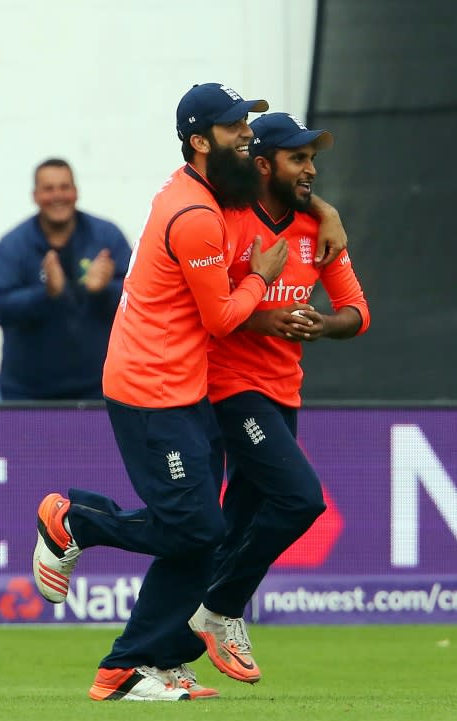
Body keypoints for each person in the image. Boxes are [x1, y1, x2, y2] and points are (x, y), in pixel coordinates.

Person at [32, 82, 290, 702]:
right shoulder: (195, 213)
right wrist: (260, 278)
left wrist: (326, 214)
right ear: (201, 142)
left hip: (184, 386)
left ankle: (149, 662)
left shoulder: (205, 191)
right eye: (234, 128)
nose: (246, 135)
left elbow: (277, 195)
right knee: (197, 530)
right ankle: (75, 522)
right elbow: (224, 317)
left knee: (204, 532)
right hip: (150, 390)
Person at [188, 112, 371, 684]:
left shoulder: (320, 230)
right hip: (229, 388)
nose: (311, 169)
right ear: (263, 164)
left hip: (282, 395)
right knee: (300, 499)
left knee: (233, 526)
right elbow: (210, 310)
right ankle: (219, 611)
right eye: (299, 158)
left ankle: (163, 652)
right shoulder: (227, 221)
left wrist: (323, 325)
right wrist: (265, 317)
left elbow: (358, 313)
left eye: (313, 159)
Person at [0, 158, 132, 400]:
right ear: (35, 195)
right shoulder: (13, 244)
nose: (58, 196)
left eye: (65, 187)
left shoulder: (107, 237)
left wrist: (104, 290)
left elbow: (139, 301)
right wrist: (46, 295)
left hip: (100, 389)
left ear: (76, 192)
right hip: (27, 393)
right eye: (49, 189)